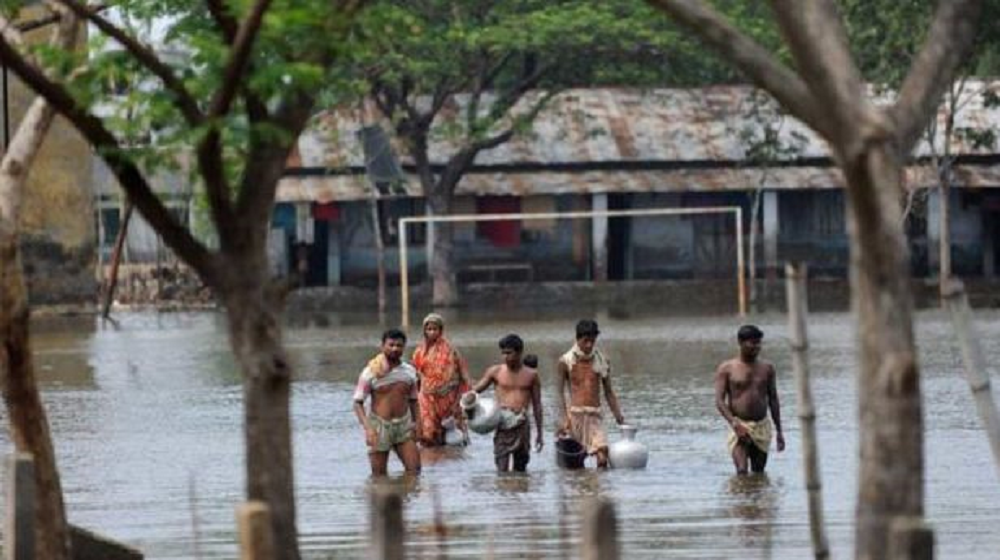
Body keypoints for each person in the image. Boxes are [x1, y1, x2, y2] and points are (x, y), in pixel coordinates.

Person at [715, 324, 785, 475]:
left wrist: (779, 431)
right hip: (739, 425)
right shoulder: (727, 368)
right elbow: (719, 401)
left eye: (759, 343)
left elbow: (773, 399)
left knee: (759, 473)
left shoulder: (767, 368)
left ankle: (755, 498)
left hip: (762, 426)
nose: (757, 347)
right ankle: (740, 497)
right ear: (740, 342)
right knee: (741, 471)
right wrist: (734, 424)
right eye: (752, 343)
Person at [556, 319, 626, 469]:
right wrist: (562, 419)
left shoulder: (602, 360)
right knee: (575, 465)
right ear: (577, 338)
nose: (589, 345)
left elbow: (608, 391)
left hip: (595, 416)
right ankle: (581, 490)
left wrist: (618, 416)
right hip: (574, 416)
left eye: (592, 341)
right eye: (585, 341)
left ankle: (598, 491)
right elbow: (559, 392)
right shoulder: (565, 361)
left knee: (602, 458)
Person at [352, 328, 421, 476]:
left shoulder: (409, 371)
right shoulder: (370, 372)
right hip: (379, 426)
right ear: (382, 346)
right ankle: (381, 498)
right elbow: (358, 403)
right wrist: (368, 428)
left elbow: (414, 400)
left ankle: (406, 498)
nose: (395, 348)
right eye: (391, 345)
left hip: (403, 425)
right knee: (379, 476)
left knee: (415, 472)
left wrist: (417, 424)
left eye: (399, 345)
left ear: (404, 347)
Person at [472, 334, 543, 472]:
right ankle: (504, 490)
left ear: (519, 352)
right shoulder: (495, 371)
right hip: (502, 424)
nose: (505, 356)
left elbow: (537, 406)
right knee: (501, 467)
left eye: (509, 353)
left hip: (522, 424)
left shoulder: (531, 375)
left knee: (521, 468)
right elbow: (475, 391)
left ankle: (517, 492)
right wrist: (466, 406)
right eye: (503, 353)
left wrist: (539, 434)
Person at [411, 313, 471, 447]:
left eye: (435, 329)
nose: (432, 332)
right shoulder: (419, 351)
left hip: (448, 398)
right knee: (428, 435)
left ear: (441, 330)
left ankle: (448, 463)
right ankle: (432, 461)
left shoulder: (451, 350)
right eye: (429, 329)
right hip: (426, 398)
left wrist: (466, 398)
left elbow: (464, 374)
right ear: (424, 331)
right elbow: (415, 376)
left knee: (452, 435)